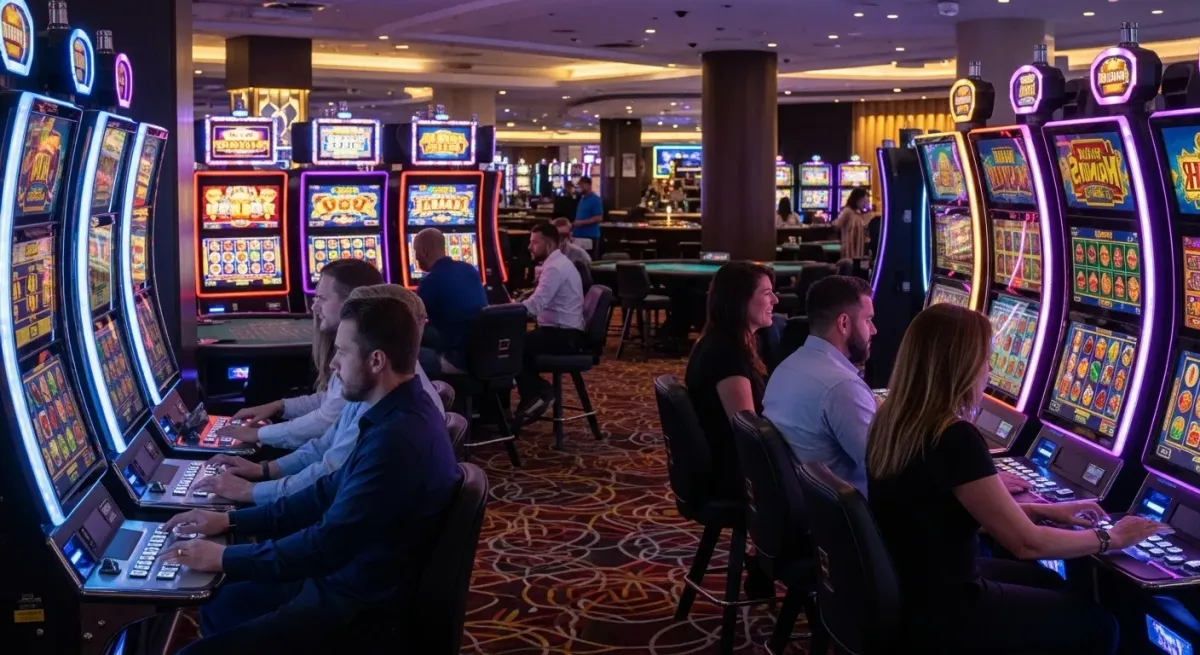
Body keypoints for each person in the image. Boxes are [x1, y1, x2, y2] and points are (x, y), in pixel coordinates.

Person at [167, 292, 461, 654]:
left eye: (342, 352)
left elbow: (326, 545)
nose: (334, 365)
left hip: (357, 606)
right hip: (350, 577)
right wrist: (231, 524)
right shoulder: (394, 410)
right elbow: (324, 492)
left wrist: (225, 557)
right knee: (223, 602)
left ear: (376, 361)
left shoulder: (397, 440)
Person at [866, 303, 1165, 654]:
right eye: (986, 359)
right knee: (1099, 625)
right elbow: (1027, 545)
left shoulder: (893, 421)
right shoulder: (952, 437)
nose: (990, 371)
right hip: (946, 609)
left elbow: (942, 513)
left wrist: (1048, 511)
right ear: (960, 367)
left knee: (1053, 583)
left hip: (912, 590)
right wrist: (1110, 537)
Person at [194, 285, 445, 505]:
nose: (314, 306)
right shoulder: (374, 392)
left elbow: (327, 489)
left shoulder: (390, 425)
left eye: (323, 297)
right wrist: (265, 471)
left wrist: (253, 493)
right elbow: (324, 446)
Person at [226, 259, 384, 447]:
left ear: (350, 302)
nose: (314, 307)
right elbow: (330, 401)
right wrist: (279, 406)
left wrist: (260, 435)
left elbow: (325, 421)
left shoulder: (366, 357)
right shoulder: (360, 345)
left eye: (322, 298)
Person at [764, 275, 876, 495]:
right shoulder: (842, 387)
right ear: (844, 323)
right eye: (868, 320)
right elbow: (884, 467)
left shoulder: (788, 366)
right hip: (846, 517)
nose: (873, 330)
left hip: (806, 503)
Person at [684, 262, 778, 499]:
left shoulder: (725, 341)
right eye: (766, 293)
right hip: (734, 476)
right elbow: (749, 433)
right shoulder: (726, 353)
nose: (775, 300)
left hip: (729, 464)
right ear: (740, 300)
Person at [514, 221, 585, 423]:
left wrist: (506, 310)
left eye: (534, 243)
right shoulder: (556, 264)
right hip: (563, 332)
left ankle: (540, 392)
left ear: (550, 245)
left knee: (511, 348)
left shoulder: (554, 268)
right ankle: (532, 395)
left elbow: (535, 306)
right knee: (518, 344)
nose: (529, 247)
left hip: (564, 335)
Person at [413, 227, 488, 377]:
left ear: (424, 252)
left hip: (458, 359)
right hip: (483, 351)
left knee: (404, 350)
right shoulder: (469, 270)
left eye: (416, 251)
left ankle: (430, 399)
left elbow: (411, 318)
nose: (416, 257)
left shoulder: (431, 281)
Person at [834, 187, 871, 260]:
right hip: (849, 251)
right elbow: (837, 225)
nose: (865, 204)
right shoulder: (848, 211)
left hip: (859, 250)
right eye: (864, 201)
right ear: (858, 199)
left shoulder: (859, 213)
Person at [573, 176, 603, 258]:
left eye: (582, 186)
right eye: (579, 186)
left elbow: (599, 217)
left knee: (589, 261)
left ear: (589, 185)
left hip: (590, 236)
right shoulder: (582, 199)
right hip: (578, 236)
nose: (580, 188)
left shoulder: (595, 199)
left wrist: (581, 223)